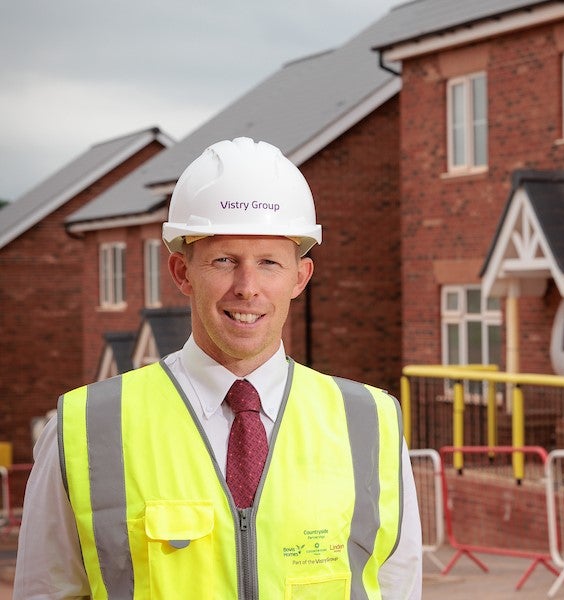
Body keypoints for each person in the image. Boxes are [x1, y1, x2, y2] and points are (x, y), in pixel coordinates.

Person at [14, 137, 422, 599]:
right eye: (224, 260)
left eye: (269, 262)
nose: (247, 288)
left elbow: (397, 586)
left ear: (300, 278)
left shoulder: (372, 423)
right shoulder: (85, 428)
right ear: (182, 273)